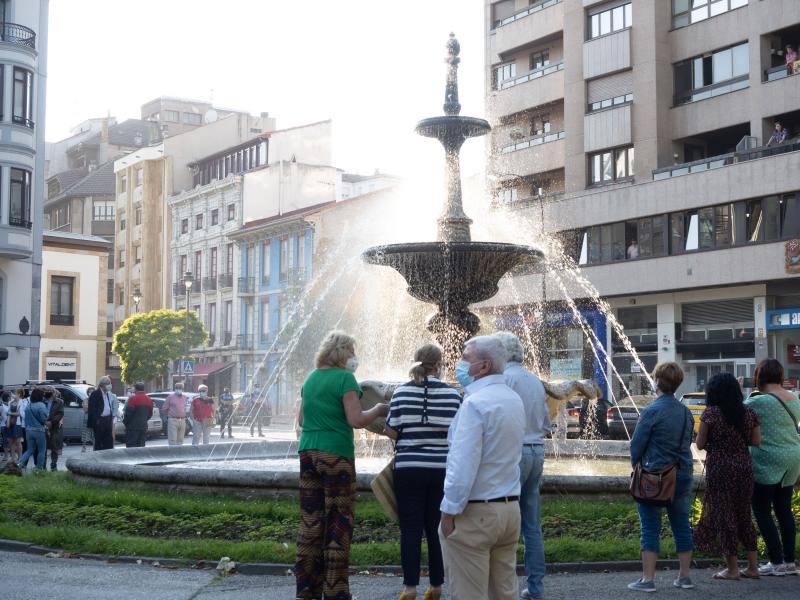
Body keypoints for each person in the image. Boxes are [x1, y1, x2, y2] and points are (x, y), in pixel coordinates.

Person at [295, 330, 388, 600]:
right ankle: (336, 592)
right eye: (351, 351)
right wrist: (379, 409)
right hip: (336, 455)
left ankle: (306, 590)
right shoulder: (345, 378)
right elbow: (357, 420)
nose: (354, 357)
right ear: (341, 352)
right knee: (339, 521)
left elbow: (302, 420)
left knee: (310, 521)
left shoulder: (311, 379)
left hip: (308, 454)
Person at [439, 335, 525, 600]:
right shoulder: (513, 399)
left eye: (466, 358)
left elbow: (462, 464)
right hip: (509, 510)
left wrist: (448, 512)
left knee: (468, 593)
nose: (459, 363)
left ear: (484, 366)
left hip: (475, 513)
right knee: (504, 592)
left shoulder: (475, 403)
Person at [384, 343, 461, 600]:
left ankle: (409, 588)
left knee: (410, 529)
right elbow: (460, 432)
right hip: (441, 468)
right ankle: (437, 586)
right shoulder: (452, 395)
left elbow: (392, 430)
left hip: (408, 469)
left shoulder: (401, 393)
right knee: (436, 528)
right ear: (439, 365)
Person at [628, 362, 694, 592]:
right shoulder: (686, 412)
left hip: (654, 478)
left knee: (650, 527)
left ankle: (648, 580)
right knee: (682, 526)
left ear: (657, 381)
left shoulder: (651, 411)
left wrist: (635, 466)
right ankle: (684, 577)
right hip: (682, 474)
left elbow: (636, 447)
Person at [494, 331, 549, 600]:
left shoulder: (504, 380)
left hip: (514, 453)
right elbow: (546, 421)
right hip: (537, 451)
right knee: (532, 524)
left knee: (504, 520)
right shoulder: (535, 381)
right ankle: (536, 587)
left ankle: (505, 587)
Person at [693, 373, 760, 579]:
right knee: (744, 515)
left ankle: (732, 569)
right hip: (744, 467)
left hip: (720, 468)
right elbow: (756, 441)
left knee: (725, 517)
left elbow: (699, 445)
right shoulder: (748, 412)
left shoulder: (710, 414)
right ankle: (752, 568)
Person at [745, 358, 800, 576]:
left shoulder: (758, 401)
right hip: (793, 457)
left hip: (768, 458)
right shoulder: (794, 398)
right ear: (780, 376)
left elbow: (738, 413)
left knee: (761, 509)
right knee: (784, 509)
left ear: (759, 376)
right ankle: (789, 562)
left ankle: (775, 561)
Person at [18, 389, 49, 471]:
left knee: (29, 450)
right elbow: (44, 419)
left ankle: (19, 463)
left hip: (28, 431)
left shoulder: (28, 406)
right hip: (39, 431)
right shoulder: (41, 405)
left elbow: (25, 419)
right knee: (41, 450)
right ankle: (39, 469)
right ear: (40, 396)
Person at [87, 376, 117, 451]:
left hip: (107, 420)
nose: (110, 385)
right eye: (108, 384)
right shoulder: (95, 394)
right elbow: (92, 410)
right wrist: (97, 421)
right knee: (99, 442)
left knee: (108, 440)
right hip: (99, 421)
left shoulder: (107, 393)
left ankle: (108, 456)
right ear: (102, 385)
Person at [123, 382, 154, 448]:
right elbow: (150, 414)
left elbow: (128, 414)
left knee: (131, 446)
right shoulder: (149, 399)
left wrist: (125, 422)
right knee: (141, 446)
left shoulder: (132, 399)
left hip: (132, 427)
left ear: (136, 389)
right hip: (143, 426)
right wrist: (144, 420)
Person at [47, 389, 65, 471]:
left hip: (55, 427)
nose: (52, 394)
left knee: (54, 447)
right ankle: (42, 466)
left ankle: (53, 465)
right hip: (43, 426)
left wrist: (52, 422)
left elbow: (61, 413)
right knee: (43, 447)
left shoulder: (60, 402)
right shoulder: (43, 401)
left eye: (53, 392)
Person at [81, 386, 95, 452]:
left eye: (92, 392)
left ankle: (95, 447)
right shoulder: (85, 400)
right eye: (90, 392)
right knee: (85, 433)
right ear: (88, 393)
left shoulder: (96, 400)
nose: (91, 393)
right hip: (87, 418)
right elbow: (85, 409)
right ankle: (84, 447)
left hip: (94, 419)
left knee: (94, 433)